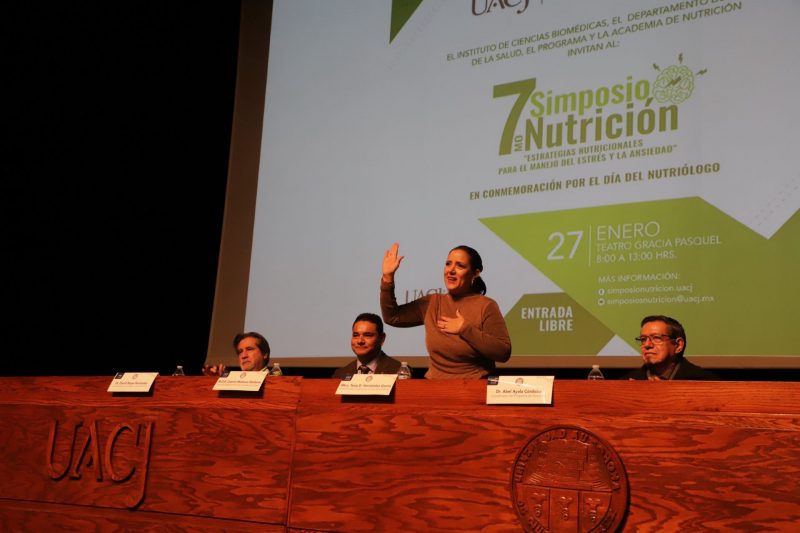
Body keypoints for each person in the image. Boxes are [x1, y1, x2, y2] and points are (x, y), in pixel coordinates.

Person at [380, 243, 511, 379]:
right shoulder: (432, 302)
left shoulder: (486, 305)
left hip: (474, 385)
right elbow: (392, 317)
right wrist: (387, 277)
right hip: (434, 386)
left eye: (460, 266)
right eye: (448, 264)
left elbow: (503, 352)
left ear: (475, 273)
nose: (451, 270)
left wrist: (466, 330)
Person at [623, 315, 719, 380]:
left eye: (656, 338)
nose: (647, 345)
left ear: (678, 345)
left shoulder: (705, 382)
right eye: (643, 339)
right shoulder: (625, 382)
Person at [333, 313, 403, 379]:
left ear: (382, 339)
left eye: (367, 335)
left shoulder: (399, 371)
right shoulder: (340, 374)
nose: (360, 341)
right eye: (355, 335)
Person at [202, 332, 271, 376]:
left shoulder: (275, 380)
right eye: (240, 352)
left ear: (265, 354)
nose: (243, 356)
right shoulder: (231, 380)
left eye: (249, 349)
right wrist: (218, 382)